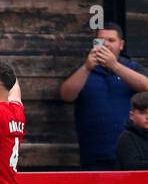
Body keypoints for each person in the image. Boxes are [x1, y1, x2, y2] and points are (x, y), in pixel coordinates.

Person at [58, 24, 148, 169]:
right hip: (93, 154)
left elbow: (146, 86)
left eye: (111, 40)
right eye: (100, 40)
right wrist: (86, 68)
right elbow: (66, 95)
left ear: (121, 45)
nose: (106, 44)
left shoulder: (132, 67)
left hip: (130, 153)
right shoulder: (83, 69)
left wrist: (114, 66)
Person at [116, 91, 148, 170]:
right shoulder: (127, 138)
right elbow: (133, 166)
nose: (147, 117)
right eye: (143, 113)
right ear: (131, 116)